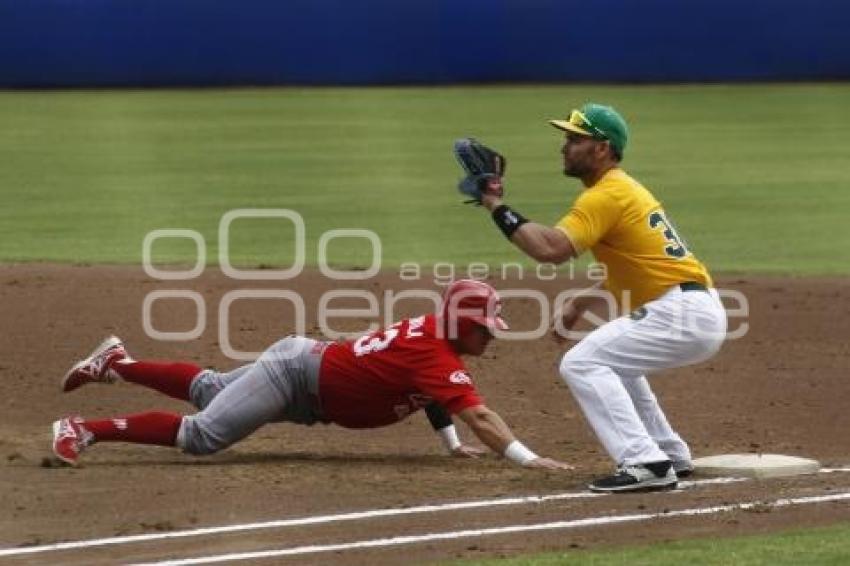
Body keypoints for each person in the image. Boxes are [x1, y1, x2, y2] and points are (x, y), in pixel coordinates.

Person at [466, 103, 727, 492]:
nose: (564, 147)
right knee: (619, 366)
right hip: (692, 308)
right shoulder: (621, 190)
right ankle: (668, 453)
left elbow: (549, 249)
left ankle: (645, 463)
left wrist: (494, 203)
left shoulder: (606, 195)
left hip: (679, 312)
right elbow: (640, 264)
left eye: (574, 139)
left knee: (582, 363)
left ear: (602, 148)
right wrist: (581, 302)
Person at [52, 279, 571, 472]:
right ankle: (84, 429)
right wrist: (528, 460)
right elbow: (476, 410)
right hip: (296, 377)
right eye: (485, 326)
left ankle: (114, 362)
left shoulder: (436, 346)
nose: (491, 335)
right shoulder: (435, 352)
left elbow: (433, 393)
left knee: (210, 389)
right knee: (204, 434)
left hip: (307, 377)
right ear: (460, 322)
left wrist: (449, 445)